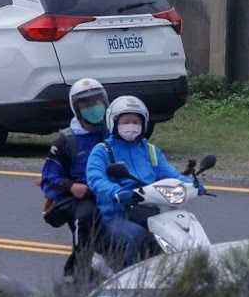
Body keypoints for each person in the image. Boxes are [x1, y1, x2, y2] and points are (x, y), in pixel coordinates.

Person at [85, 95, 186, 269]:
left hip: (150, 209)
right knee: (136, 235)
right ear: (114, 123)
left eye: (136, 121)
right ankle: (126, 278)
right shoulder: (103, 150)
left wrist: (191, 184)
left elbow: (170, 174)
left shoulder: (150, 150)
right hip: (115, 214)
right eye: (126, 121)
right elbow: (95, 179)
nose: (131, 125)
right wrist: (116, 192)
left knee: (179, 233)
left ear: (143, 124)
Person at [39, 77, 110, 276]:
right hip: (80, 197)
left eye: (96, 102)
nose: (93, 108)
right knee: (85, 217)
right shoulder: (66, 140)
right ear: (76, 108)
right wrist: (71, 187)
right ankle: (79, 268)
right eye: (86, 104)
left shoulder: (113, 132)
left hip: (112, 192)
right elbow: (49, 178)